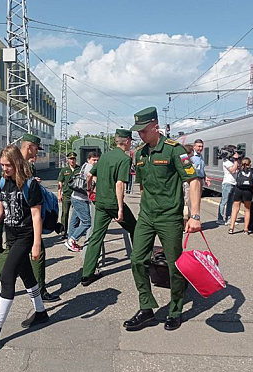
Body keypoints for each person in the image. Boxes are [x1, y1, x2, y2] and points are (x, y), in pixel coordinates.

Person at [126, 106, 201, 332]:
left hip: (170, 218)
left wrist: (195, 215)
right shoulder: (140, 154)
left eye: (143, 130)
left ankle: (175, 310)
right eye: (137, 131)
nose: (140, 134)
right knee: (137, 260)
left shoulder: (173, 150)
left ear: (155, 126)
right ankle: (146, 308)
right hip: (147, 217)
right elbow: (143, 185)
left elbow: (194, 181)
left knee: (174, 265)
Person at [0, 145, 48, 344]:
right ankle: (41, 312)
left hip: (25, 237)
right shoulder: (3, 181)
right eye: (2, 164)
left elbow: (35, 216)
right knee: (27, 275)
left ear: (16, 163)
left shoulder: (30, 185)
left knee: (7, 277)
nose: (3, 167)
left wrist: (36, 244)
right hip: (11, 236)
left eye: (7, 165)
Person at [0, 134, 59, 303]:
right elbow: (7, 204)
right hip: (23, 224)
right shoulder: (20, 166)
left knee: (14, 254)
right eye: (36, 149)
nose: (37, 153)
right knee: (32, 254)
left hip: (17, 223)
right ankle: (40, 291)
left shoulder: (24, 167)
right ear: (29, 146)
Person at [81, 129, 137, 287]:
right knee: (135, 228)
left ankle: (87, 274)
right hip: (113, 203)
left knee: (96, 236)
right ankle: (139, 261)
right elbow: (120, 184)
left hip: (100, 202)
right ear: (126, 141)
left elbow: (90, 175)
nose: (131, 144)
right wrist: (120, 208)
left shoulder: (104, 156)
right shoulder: (124, 159)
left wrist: (89, 189)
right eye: (131, 141)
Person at [66, 151, 100, 252]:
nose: (95, 162)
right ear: (88, 160)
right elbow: (95, 180)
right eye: (94, 160)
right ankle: (72, 240)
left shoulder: (84, 166)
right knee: (87, 222)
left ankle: (70, 241)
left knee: (74, 220)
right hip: (81, 199)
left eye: (97, 160)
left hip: (76, 197)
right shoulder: (90, 167)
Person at [228, 157, 253, 234]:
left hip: (238, 190)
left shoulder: (239, 170)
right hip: (248, 191)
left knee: (235, 209)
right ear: (250, 163)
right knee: (247, 210)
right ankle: (246, 229)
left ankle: (231, 228)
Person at [57, 151, 80, 239]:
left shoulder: (79, 169)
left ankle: (74, 233)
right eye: (70, 159)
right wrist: (59, 194)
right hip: (67, 195)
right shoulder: (64, 170)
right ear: (68, 160)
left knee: (77, 214)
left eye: (73, 159)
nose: (72, 161)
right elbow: (60, 182)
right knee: (65, 213)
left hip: (77, 194)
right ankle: (63, 232)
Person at [217, 147, 239, 225]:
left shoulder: (231, 161)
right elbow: (233, 170)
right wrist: (236, 160)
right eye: (234, 152)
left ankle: (228, 218)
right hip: (227, 183)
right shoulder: (226, 162)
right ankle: (220, 218)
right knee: (224, 201)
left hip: (233, 183)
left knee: (230, 202)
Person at [182, 144, 195, 228]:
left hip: (183, 184)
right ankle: (185, 224)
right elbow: (190, 174)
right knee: (186, 204)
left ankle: (185, 224)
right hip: (186, 184)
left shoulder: (183, 159)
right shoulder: (185, 161)